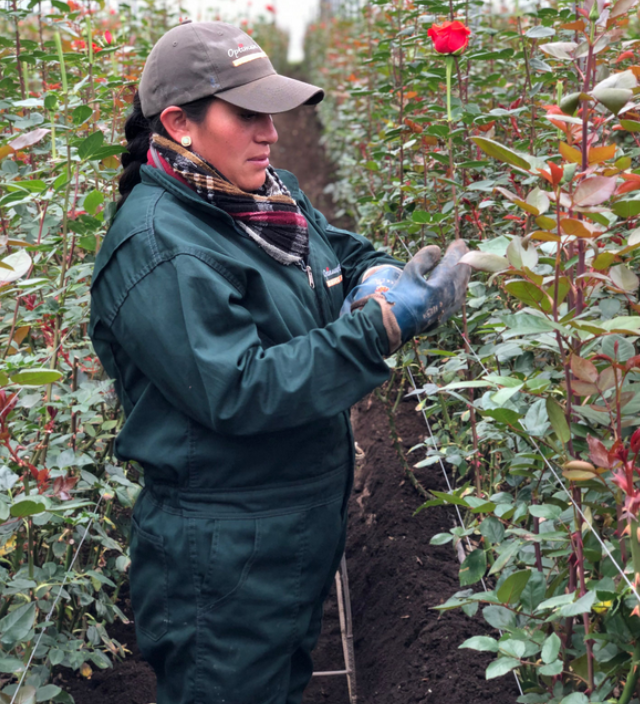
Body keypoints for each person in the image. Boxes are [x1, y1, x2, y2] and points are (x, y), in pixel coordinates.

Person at [89, 20, 470, 704]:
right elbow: (240, 388)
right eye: (247, 115)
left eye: (271, 112)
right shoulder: (161, 250)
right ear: (179, 122)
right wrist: (378, 327)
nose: (271, 131)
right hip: (225, 559)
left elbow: (341, 250)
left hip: (287, 532)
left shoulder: (263, 198)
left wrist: (378, 275)